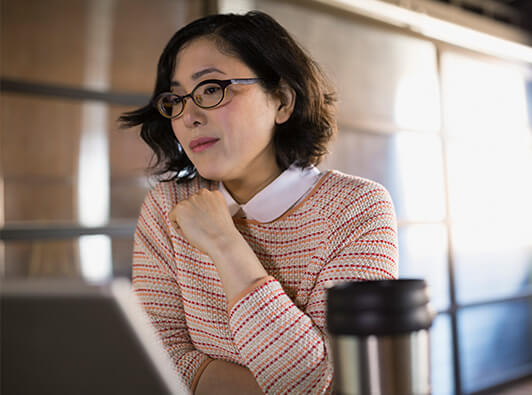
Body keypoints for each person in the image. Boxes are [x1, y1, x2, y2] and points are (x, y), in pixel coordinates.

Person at [120, 11, 398, 395]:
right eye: (177, 99)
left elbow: (331, 383)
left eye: (212, 89)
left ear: (282, 101)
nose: (189, 117)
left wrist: (225, 243)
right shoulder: (166, 206)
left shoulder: (356, 207)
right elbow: (152, 359)